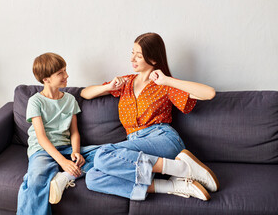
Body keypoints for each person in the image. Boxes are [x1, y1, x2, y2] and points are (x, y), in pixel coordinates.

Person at [81, 32, 219, 201]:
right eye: (132, 53)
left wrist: (168, 81)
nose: (132, 59)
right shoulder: (126, 83)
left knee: (102, 155)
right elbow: (85, 93)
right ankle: (175, 182)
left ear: (153, 60)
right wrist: (109, 86)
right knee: (93, 177)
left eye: (138, 56)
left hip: (163, 140)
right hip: (135, 146)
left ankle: (183, 169)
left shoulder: (164, 83)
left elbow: (209, 93)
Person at [17, 53, 98, 215]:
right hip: (42, 150)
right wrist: (62, 161)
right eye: (60, 73)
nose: (66, 75)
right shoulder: (35, 101)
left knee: (102, 154)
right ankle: (49, 175)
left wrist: (75, 151)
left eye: (65, 70)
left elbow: (74, 132)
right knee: (36, 180)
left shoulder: (70, 100)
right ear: (46, 79)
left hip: (66, 148)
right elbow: (41, 137)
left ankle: (65, 177)